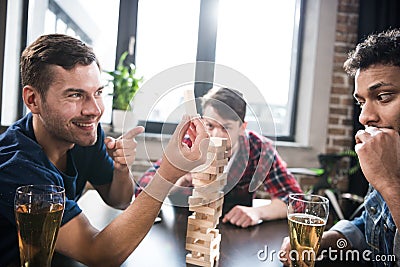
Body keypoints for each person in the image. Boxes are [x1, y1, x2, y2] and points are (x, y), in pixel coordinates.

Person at [0, 34, 209, 266]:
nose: (94, 110)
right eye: (75, 95)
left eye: (98, 93)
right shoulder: (15, 166)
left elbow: (119, 199)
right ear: (33, 100)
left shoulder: (82, 134)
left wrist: (121, 169)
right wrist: (169, 173)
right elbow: (99, 254)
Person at [280, 28, 400, 267]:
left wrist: (389, 183)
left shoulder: (387, 167)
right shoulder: (389, 153)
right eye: (361, 102)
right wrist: (323, 241)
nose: (364, 117)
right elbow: (369, 225)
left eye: (384, 96)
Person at [136, 87, 303, 228]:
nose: (216, 135)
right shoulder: (189, 144)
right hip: (185, 230)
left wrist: (258, 212)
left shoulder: (259, 150)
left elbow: (296, 202)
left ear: (242, 128)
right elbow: (142, 191)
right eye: (210, 125)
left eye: (226, 128)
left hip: (235, 233)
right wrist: (178, 179)